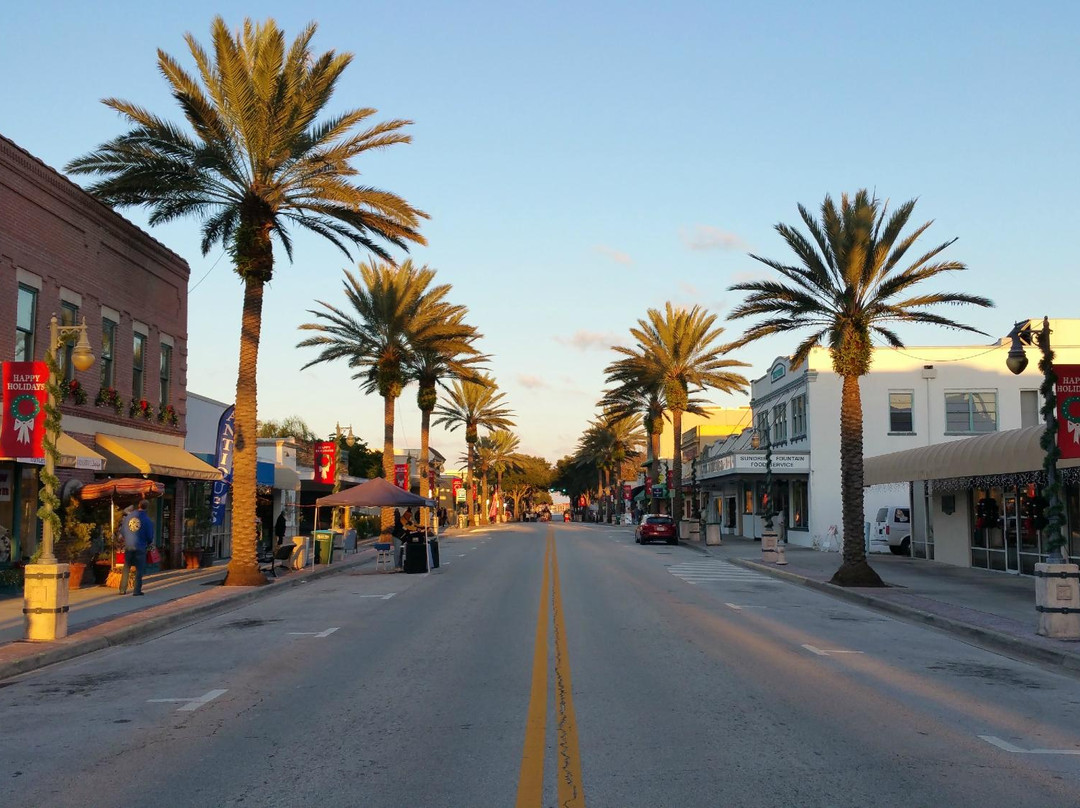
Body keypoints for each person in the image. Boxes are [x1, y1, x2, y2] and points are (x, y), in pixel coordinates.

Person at [118, 499, 155, 596]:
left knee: (126, 567)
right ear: (146, 507)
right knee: (139, 569)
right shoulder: (147, 520)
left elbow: (122, 531)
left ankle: (122, 589)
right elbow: (150, 536)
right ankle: (136, 590)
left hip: (129, 545)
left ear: (138, 505)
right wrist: (149, 542)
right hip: (140, 546)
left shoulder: (129, 517)